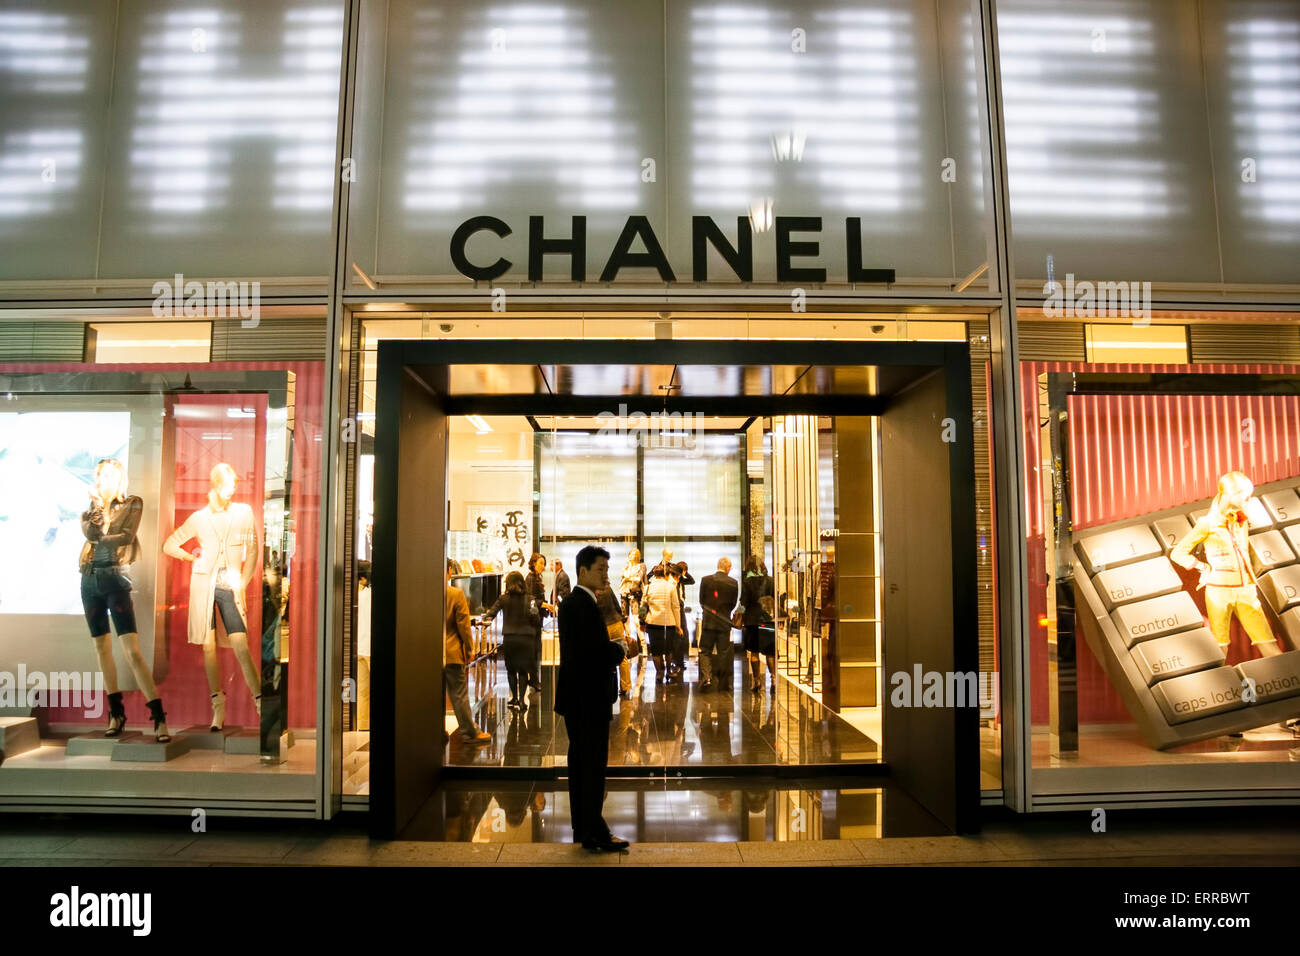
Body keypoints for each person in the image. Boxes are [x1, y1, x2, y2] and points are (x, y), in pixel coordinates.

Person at [554, 545, 631, 853]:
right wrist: (620, 649)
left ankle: (586, 827)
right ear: (582, 571)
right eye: (601, 568)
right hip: (587, 699)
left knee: (583, 763)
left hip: (580, 697)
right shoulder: (578, 604)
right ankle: (594, 830)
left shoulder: (580, 603)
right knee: (591, 765)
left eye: (606, 569)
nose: (605, 574)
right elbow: (592, 654)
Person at [480, 571, 541, 711]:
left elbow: (491, 614)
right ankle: (521, 701)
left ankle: (513, 698)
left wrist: (485, 620)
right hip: (526, 640)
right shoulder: (530, 599)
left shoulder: (503, 599)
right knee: (524, 671)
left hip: (510, 638)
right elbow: (536, 620)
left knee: (511, 670)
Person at [445, 559, 491, 744]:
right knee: (459, 694)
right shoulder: (455, 594)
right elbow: (463, 627)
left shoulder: (425, 594)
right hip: (452, 652)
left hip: (430, 652)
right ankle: (470, 732)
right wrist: (471, 648)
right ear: (449, 571)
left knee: (433, 694)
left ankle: (435, 731)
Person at [697, 557, 739, 692]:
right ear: (728, 568)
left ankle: (707, 677)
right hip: (724, 622)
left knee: (705, 650)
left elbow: (701, 601)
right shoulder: (733, 582)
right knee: (724, 652)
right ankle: (723, 682)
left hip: (708, 622)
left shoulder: (706, 580)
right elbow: (733, 603)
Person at [740, 555, 777, 693]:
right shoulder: (771, 581)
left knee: (754, 652)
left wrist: (739, 615)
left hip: (752, 621)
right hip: (767, 619)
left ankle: (757, 681)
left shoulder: (747, 582)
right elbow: (775, 599)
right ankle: (773, 678)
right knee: (770, 652)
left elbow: (743, 603)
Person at [643, 563, 682, 683]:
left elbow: (643, 606)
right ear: (665, 574)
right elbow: (676, 606)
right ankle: (669, 670)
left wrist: (641, 619)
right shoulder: (670, 587)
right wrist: (678, 625)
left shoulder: (648, 587)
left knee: (655, 650)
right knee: (668, 648)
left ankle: (659, 673)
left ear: (654, 574)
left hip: (652, 622)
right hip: (668, 622)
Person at [595, 579, 634, 699]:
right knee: (622, 655)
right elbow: (617, 606)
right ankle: (625, 686)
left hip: (603, 627)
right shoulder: (607, 587)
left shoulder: (592, 591)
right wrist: (621, 621)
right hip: (616, 623)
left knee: (604, 658)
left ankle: (605, 686)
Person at [524, 553, 554, 692]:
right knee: (534, 650)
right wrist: (545, 605)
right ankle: (534, 680)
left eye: (544, 563)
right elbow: (530, 599)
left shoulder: (536, 578)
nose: (543, 566)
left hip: (537, 619)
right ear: (534, 563)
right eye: (541, 563)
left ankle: (535, 679)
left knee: (536, 650)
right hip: (532, 621)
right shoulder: (530, 578)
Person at [618, 548, 646, 629]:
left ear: (637, 556)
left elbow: (638, 580)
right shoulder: (626, 567)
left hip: (635, 594)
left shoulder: (641, 566)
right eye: (630, 554)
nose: (631, 556)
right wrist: (629, 578)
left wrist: (627, 578)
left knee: (637, 619)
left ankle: (643, 641)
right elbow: (622, 581)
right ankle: (628, 639)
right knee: (625, 618)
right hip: (624, 593)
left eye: (633, 554)